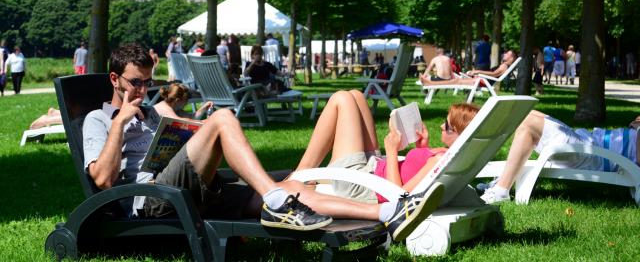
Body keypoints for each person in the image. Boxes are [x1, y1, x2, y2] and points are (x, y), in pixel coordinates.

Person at [82, 43, 440, 239]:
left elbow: (182, 151)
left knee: (293, 186)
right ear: (115, 79)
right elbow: (101, 180)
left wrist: (192, 131)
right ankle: (275, 199)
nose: (143, 91)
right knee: (224, 118)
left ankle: (388, 212)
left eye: (148, 83)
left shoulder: (154, 113)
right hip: (155, 201)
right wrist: (119, 126)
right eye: (135, 83)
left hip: (197, 190)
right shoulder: (97, 120)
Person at [293, 89, 478, 205]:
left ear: (460, 134)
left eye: (446, 126)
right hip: (373, 170)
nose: (440, 126)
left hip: (362, 185)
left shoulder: (440, 160)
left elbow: (398, 196)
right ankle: (301, 174)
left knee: (341, 98)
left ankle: (299, 175)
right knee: (356, 96)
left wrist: (391, 150)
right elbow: (418, 172)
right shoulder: (447, 155)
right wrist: (423, 146)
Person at [479, 111, 640, 204]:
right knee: (527, 113)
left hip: (591, 153)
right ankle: (501, 182)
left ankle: (501, 190)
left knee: (528, 123)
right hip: (586, 141)